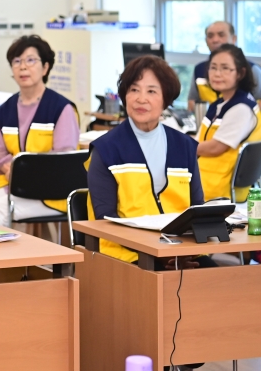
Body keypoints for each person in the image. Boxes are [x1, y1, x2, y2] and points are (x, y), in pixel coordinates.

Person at [0, 36, 79, 286]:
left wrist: (25, 172)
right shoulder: (6, 109)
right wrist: (12, 169)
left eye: (31, 60)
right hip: (12, 186)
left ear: (45, 67)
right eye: (17, 61)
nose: (23, 67)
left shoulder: (61, 108)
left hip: (49, 193)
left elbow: (64, 160)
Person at [88, 56, 212, 268]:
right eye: (134, 90)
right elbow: (106, 219)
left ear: (166, 99)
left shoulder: (184, 146)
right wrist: (157, 254)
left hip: (180, 250)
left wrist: (184, 251)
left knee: (221, 282)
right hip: (125, 254)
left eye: (151, 91)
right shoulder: (106, 149)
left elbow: (196, 208)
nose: (141, 99)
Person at [196, 44, 261, 202]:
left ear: (240, 73)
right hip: (206, 177)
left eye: (225, 68)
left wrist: (179, 145)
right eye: (213, 67)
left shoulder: (241, 108)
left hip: (216, 187)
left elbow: (215, 148)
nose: (217, 74)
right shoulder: (219, 104)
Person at [188, 21, 261, 111]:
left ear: (234, 39)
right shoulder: (199, 69)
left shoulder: (252, 69)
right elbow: (192, 102)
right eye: (210, 36)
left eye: (221, 35)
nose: (215, 40)